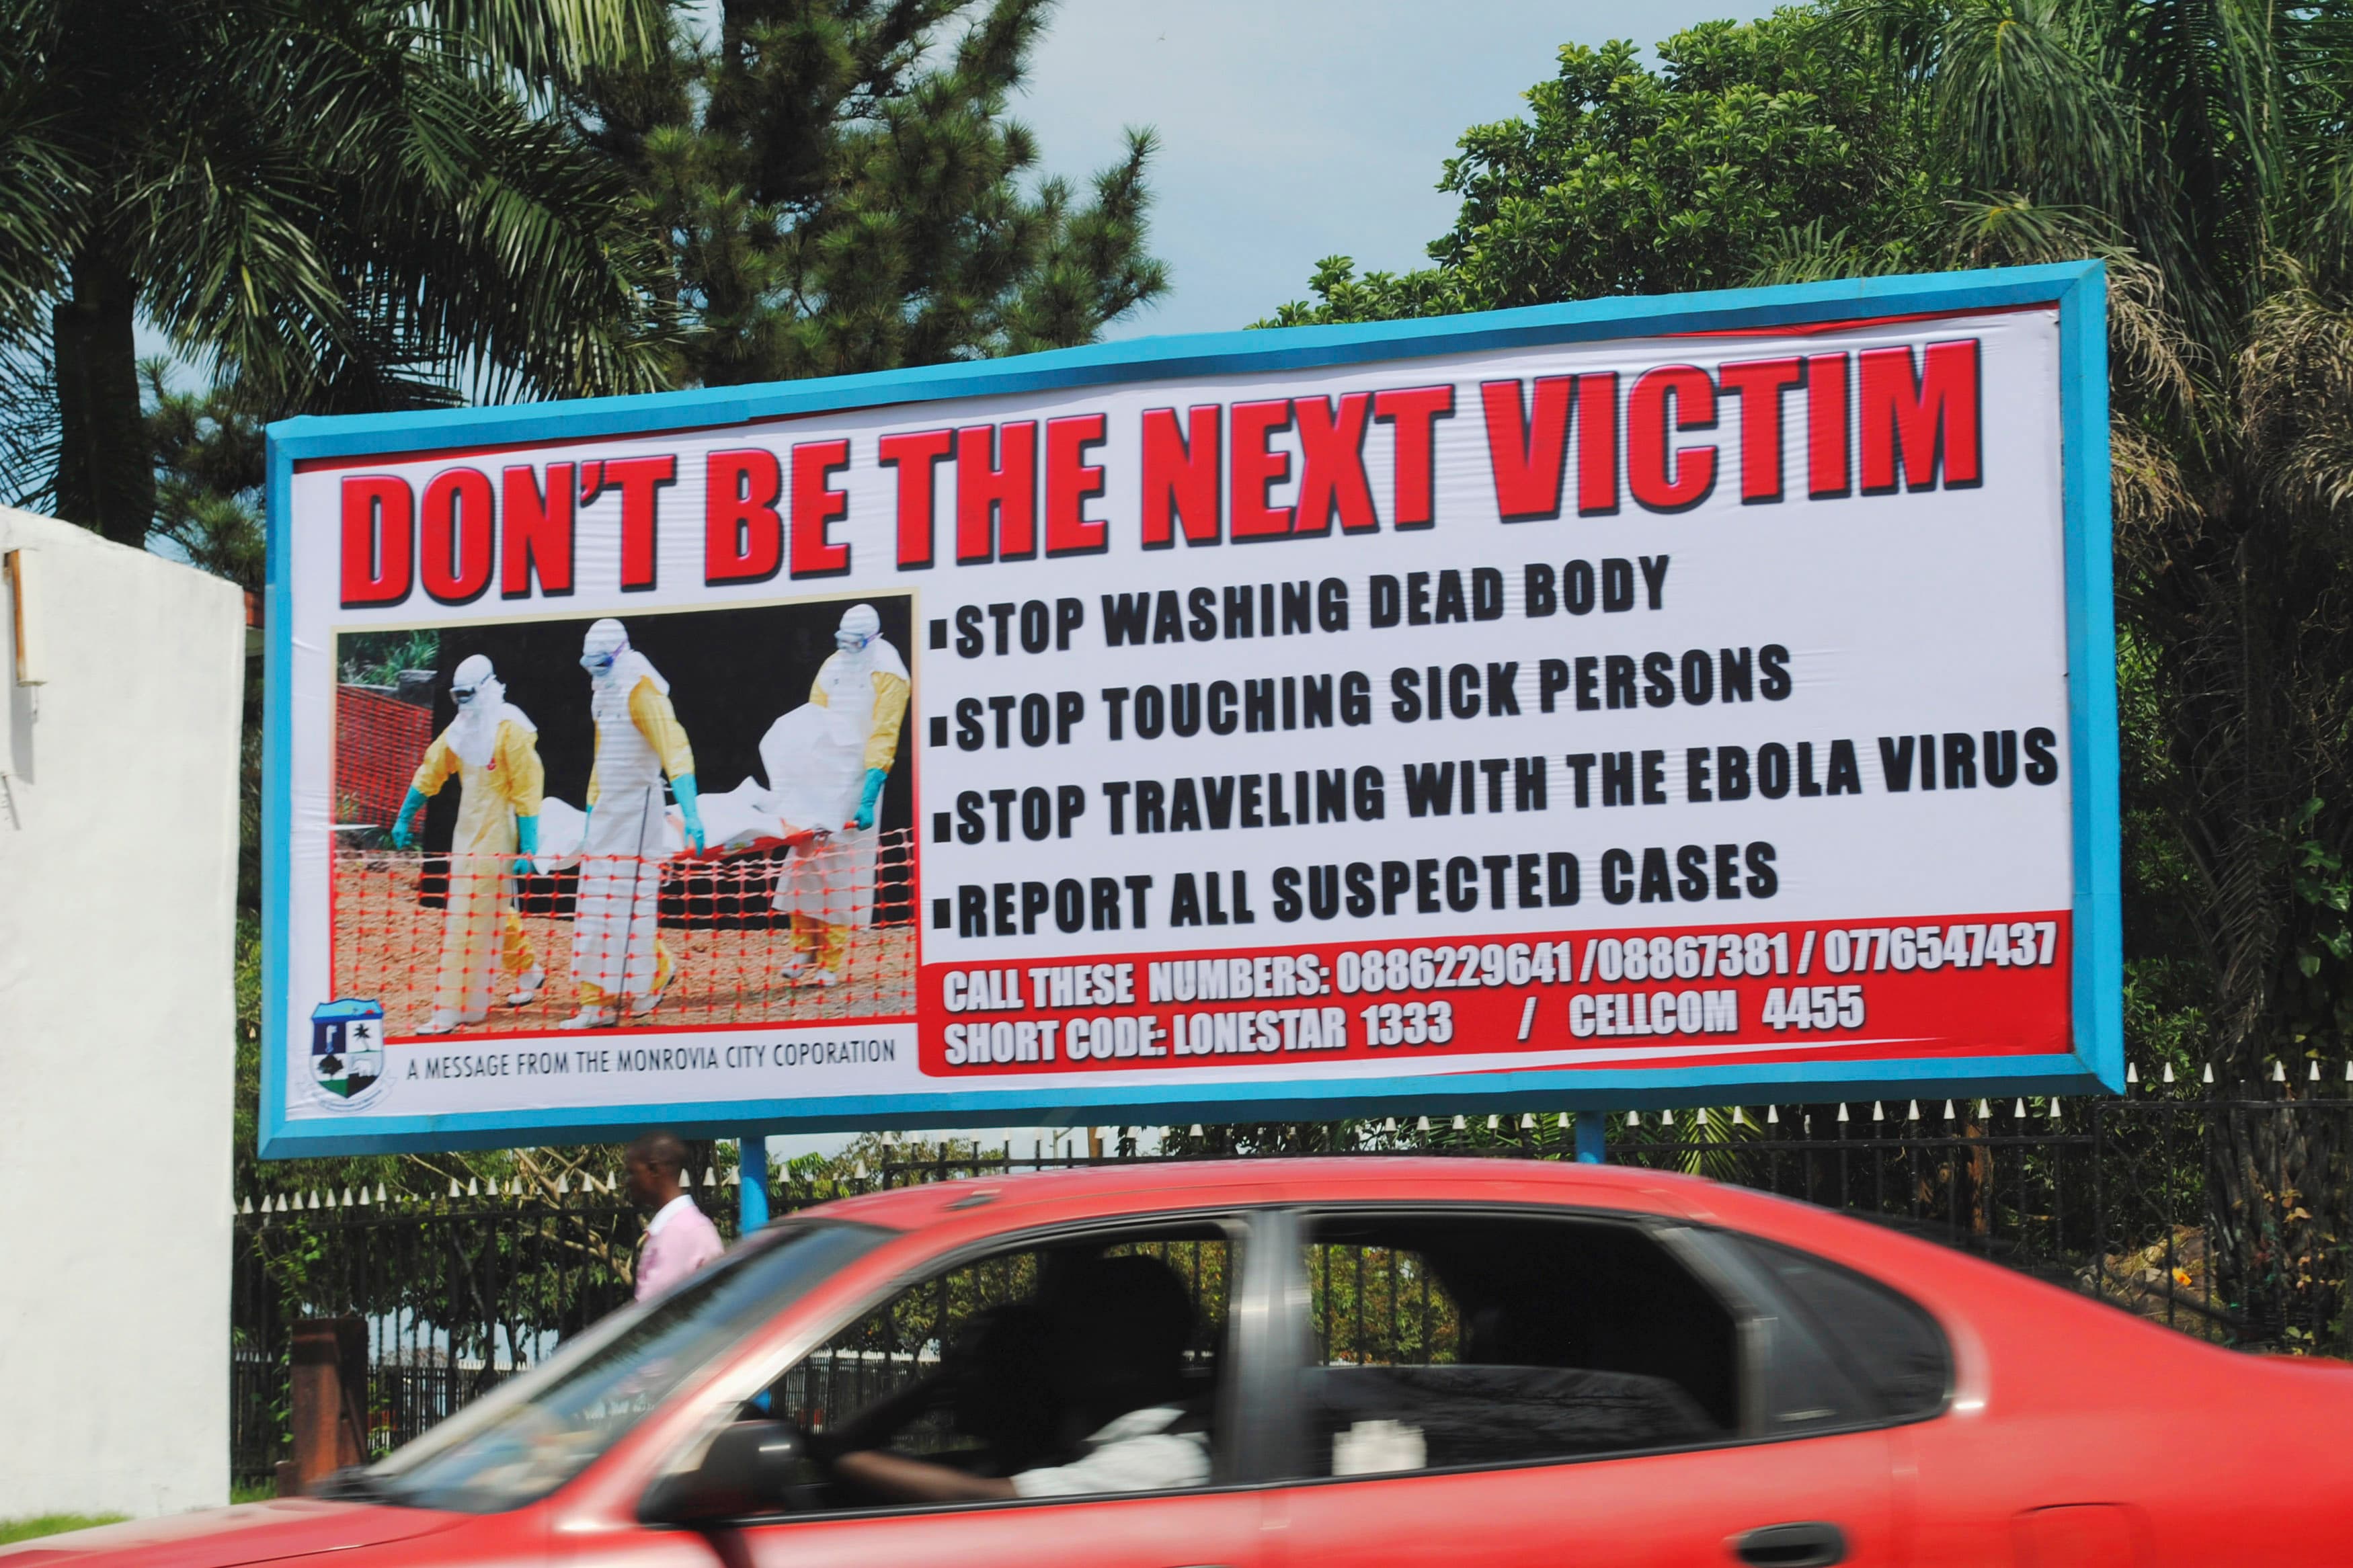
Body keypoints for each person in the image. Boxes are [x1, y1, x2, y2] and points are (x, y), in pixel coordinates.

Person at [832, 1253, 1209, 1502]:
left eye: (1074, 1337)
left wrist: (841, 1457)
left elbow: (978, 1498)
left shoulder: (1156, 1460)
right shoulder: (1061, 1451)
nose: (1059, 1354)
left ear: (1121, 1353)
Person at [389, 655, 545, 1034]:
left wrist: (528, 847)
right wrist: (405, 815)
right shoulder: (460, 730)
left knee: (466, 918)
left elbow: (527, 791)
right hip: (467, 834)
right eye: (456, 696)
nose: (462, 703)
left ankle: (452, 1008)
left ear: (487, 688)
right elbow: (432, 769)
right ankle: (528, 971)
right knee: (487, 911)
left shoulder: (512, 730)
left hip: (498, 835)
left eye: (467, 694)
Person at [562, 620, 705, 1030]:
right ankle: (595, 1004)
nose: (595, 672)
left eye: (601, 665)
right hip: (608, 811)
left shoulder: (643, 691)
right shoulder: (602, 691)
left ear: (620, 655)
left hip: (640, 815)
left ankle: (652, 975)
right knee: (593, 905)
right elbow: (602, 756)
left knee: (630, 905)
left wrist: (692, 814)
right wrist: (591, 810)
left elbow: (675, 750)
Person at [772, 604, 908, 988]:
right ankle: (803, 949)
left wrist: (869, 794)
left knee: (841, 871)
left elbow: (885, 734)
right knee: (804, 860)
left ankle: (830, 960)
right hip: (822, 772)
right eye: (842, 640)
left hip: (859, 778)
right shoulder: (833, 665)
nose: (847, 647)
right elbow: (813, 716)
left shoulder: (890, 672)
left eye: (854, 642)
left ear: (872, 638)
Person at [626, 1131, 725, 1301]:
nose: (627, 1181)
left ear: (654, 1170)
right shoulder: (680, 1226)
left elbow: (652, 1314)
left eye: (632, 1172)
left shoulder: (678, 1232)